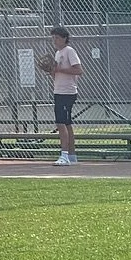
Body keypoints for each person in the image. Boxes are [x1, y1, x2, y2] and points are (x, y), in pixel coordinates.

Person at [40, 26, 83, 165]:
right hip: (59, 91)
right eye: (53, 38)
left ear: (64, 38)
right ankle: (71, 155)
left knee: (61, 122)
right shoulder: (58, 53)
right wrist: (52, 71)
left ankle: (64, 155)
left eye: (57, 38)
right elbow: (57, 75)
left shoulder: (69, 51)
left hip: (67, 92)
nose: (55, 40)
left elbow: (79, 70)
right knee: (67, 123)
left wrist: (59, 69)